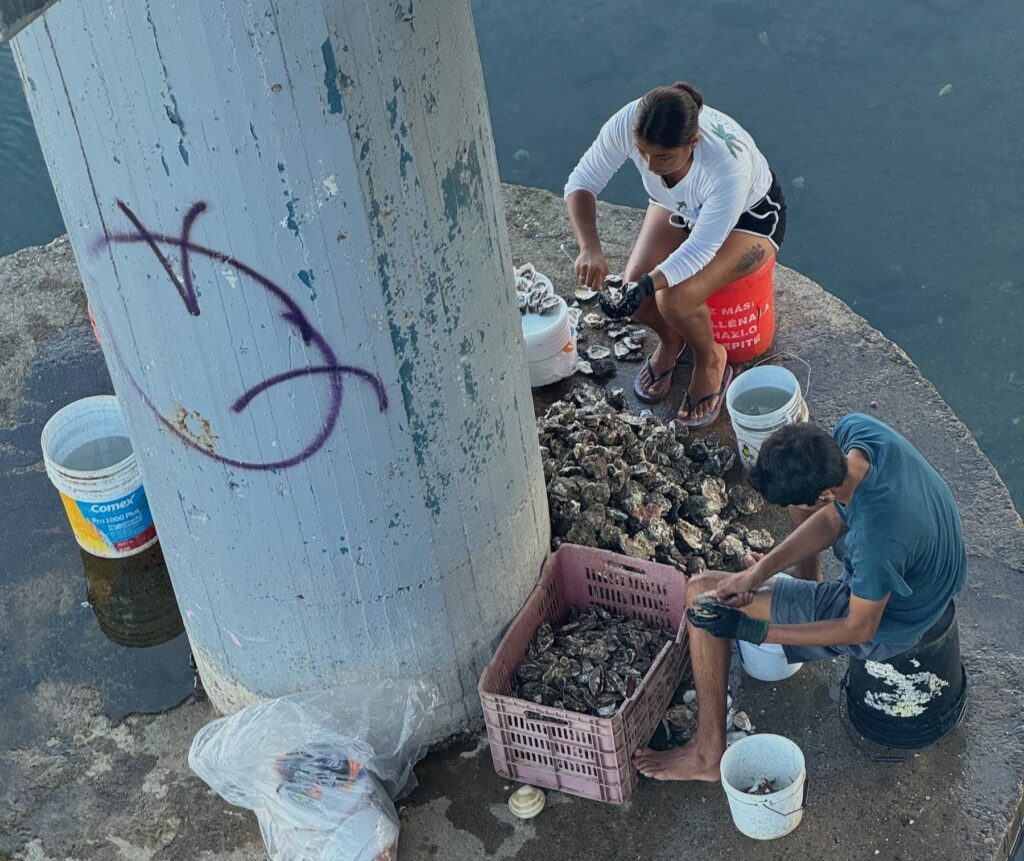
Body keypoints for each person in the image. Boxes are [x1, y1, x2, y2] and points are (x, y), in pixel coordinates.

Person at [633, 413, 968, 781]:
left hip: (899, 616)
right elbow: (829, 518)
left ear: (826, 493)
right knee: (798, 501)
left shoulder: (877, 542)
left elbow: (859, 629)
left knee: (702, 596)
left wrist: (756, 631)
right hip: (935, 560)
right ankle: (806, 583)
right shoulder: (857, 432)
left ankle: (706, 754)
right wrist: (756, 574)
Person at [564, 82, 786, 427]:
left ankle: (711, 358)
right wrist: (589, 246)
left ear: (692, 142)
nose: (651, 165)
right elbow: (582, 182)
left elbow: (700, 251)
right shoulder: (632, 120)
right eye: (642, 153)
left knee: (675, 299)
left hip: (751, 219)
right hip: (679, 207)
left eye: (664, 157)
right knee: (633, 295)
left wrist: (649, 284)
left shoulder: (728, 167)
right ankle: (672, 341)